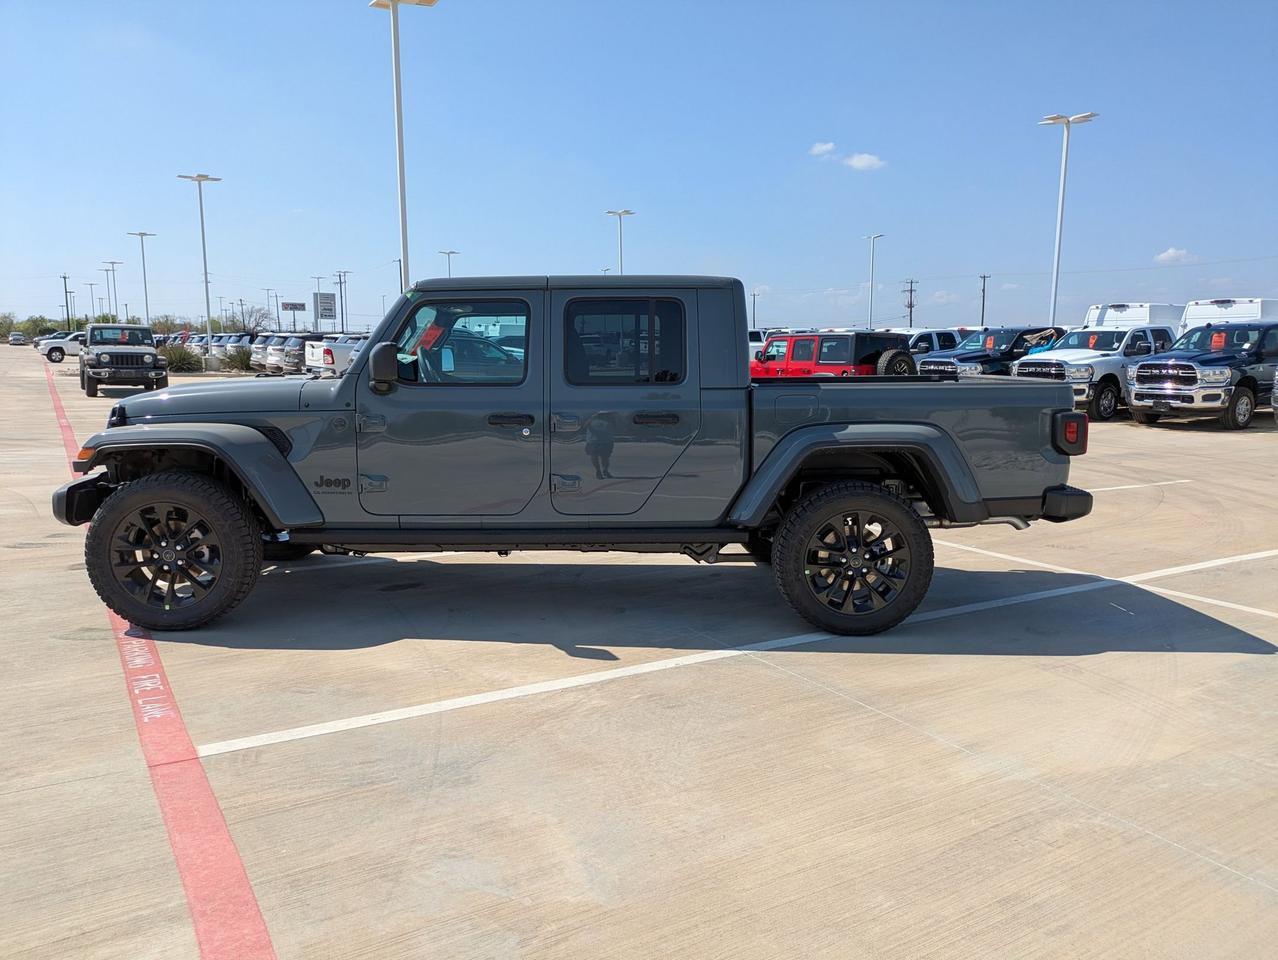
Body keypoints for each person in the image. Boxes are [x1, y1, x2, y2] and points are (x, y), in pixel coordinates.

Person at [584, 414, 614, 479]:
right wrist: (591, 417)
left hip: (606, 441)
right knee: (594, 456)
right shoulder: (590, 418)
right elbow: (585, 425)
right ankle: (598, 471)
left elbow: (613, 427)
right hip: (593, 442)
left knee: (605, 458)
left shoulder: (608, 418)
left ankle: (605, 470)